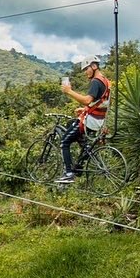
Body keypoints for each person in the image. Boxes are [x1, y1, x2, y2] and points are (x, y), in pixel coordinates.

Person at [55, 55, 110, 184]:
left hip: (90, 121)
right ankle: (80, 163)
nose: (86, 72)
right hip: (98, 120)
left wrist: (69, 91)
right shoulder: (105, 80)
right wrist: (84, 109)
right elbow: (99, 102)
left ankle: (68, 174)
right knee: (72, 125)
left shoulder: (96, 81)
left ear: (94, 66)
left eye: (87, 69)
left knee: (64, 142)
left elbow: (87, 100)